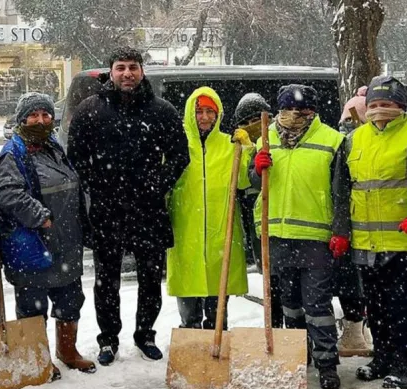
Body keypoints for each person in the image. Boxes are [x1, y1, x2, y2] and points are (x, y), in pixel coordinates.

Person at [66, 46, 189, 365]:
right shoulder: (90, 109)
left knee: (151, 279)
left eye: (133, 67)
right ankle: (108, 339)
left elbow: (179, 156)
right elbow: (76, 156)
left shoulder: (161, 110)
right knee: (106, 281)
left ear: (142, 71)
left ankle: (146, 334)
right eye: (121, 67)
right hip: (108, 211)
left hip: (149, 210)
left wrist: (158, 183)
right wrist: (98, 184)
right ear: (111, 72)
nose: (127, 73)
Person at [333, 76, 407, 389]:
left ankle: (403, 366)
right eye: (373, 105)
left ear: (401, 106)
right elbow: (345, 190)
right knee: (377, 305)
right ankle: (382, 360)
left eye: (386, 104)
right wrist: (342, 232)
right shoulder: (354, 140)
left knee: (401, 304)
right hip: (367, 241)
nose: (379, 110)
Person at [249, 84, 345, 389]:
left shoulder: (332, 140)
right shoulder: (267, 139)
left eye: (302, 110)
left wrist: (341, 230)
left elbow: (342, 191)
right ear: (278, 111)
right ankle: (298, 354)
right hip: (278, 234)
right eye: (288, 109)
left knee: (317, 303)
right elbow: (254, 182)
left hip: (316, 237)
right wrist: (257, 169)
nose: (295, 115)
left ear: (313, 112)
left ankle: (327, 362)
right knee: (289, 303)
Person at [0, 92, 96, 374]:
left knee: (70, 300)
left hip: (66, 241)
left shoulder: (53, 146)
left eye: (46, 115)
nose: (40, 121)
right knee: (32, 306)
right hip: (34, 244)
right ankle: (35, 360)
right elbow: (7, 192)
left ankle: (67, 350)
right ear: (22, 118)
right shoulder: (14, 153)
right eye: (34, 115)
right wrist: (41, 218)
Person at [168, 87, 248, 329]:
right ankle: (190, 337)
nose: (204, 117)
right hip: (186, 229)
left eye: (209, 112)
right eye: (199, 111)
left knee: (218, 292)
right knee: (188, 291)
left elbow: (244, 181)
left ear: (218, 114)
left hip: (220, 229)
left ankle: (217, 335)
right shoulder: (177, 144)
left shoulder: (229, 145)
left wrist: (249, 151)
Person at [233, 93, 286, 329]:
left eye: (256, 118)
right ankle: (273, 327)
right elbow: (242, 182)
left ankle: (294, 330)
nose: (251, 125)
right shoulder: (238, 146)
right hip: (256, 223)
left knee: (288, 282)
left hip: (283, 218)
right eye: (244, 121)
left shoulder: (280, 138)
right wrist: (246, 151)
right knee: (270, 279)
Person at [334, 87, 373, 358]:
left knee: (366, 281)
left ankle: (362, 329)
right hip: (352, 224)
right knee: (352, 280)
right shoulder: (345, 145)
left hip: (376, 226)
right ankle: (355, 329)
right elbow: (340, 188)